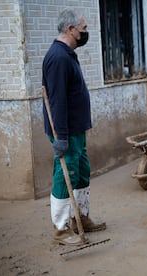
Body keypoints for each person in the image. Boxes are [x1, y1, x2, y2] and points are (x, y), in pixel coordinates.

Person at [42, 9, 106, 246]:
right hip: (65, 132)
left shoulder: (68, 54)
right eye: (84, 28)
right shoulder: (58, 58)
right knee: (65, 175)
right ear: (70, 29)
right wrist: (61, 137)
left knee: (81, 170)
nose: (86, 32)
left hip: (76, 130)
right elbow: (57, 101)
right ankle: (60, 229)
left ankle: (81, 217)